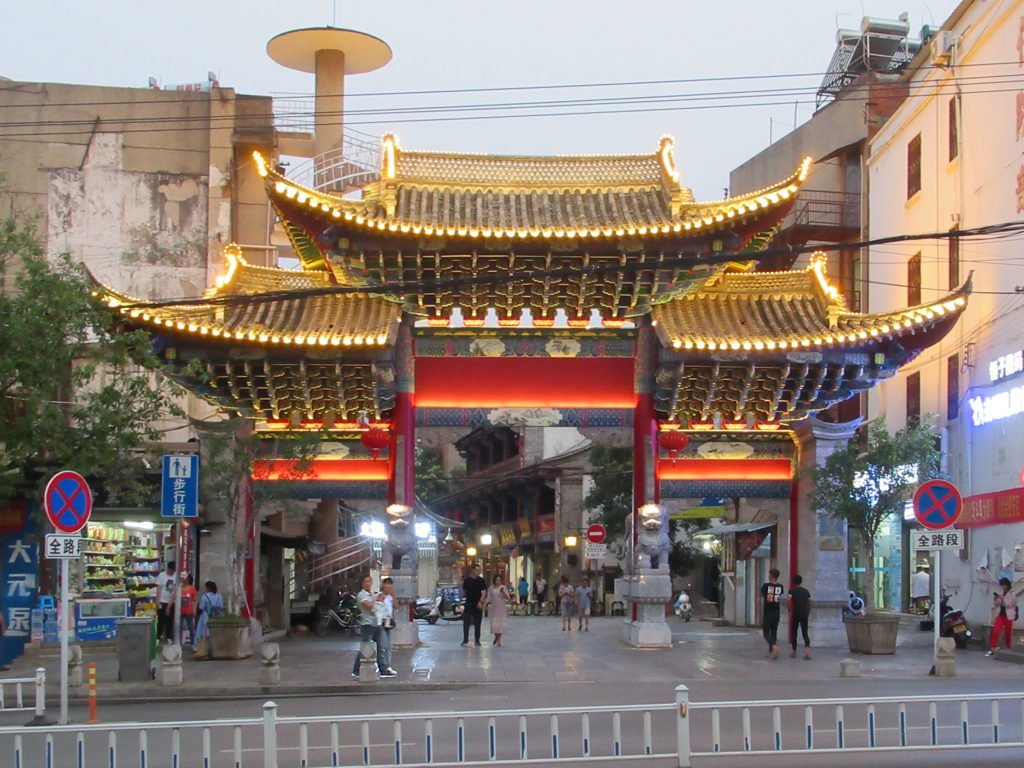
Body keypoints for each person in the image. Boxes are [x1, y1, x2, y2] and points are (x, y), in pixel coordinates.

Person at [351, 574, 389, 677]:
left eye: (369, 581)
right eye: (365, 582)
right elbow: (369, 605)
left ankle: (382, 669)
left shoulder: (372, 594)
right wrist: (376, 599)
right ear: (362, 583)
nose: (367, 584)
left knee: (379, 647)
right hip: (367, 624)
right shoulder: (361, 595)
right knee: (366, 647)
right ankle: (356, 669)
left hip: (376, 623)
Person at [983, 574, 1024, 656]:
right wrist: (996, 599)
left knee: (1008, 633)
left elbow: (1010, 605)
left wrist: (1003, 599)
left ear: (1007, 585)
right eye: (1002, 585)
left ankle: (1008, 647)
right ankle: (993, 647)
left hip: (1008, 616)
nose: (1003, 587)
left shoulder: (1012, 593)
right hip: (1000, 615)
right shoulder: (1000, 592)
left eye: (1004, 585)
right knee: (996, 631)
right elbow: (997, 604)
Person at [192, 580, 224, 659]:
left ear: (208, 588)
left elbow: (201, 607)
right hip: (216, 617)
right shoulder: (219, 596)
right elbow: (221, 606)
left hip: (205, 616)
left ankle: (202, 649)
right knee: (214, 632)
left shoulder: (205, 596)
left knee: (203, 632)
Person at [374, 577, 398, 676]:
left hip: (388, 622)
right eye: (387, 585)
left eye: (390, 585)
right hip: (381, 622)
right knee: (383, 645)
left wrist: (392, 595)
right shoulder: (380, 595)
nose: (388, 587)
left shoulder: (390, 597)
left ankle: (388, 665)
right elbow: (376, 607)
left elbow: (397, 606)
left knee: (388, 645)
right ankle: (383, 666)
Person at [461, 564, 487, 647]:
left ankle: (477, 640)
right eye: (477, 570)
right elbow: (464, 591)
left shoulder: (481, 581)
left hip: (478, 603)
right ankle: (465, 639)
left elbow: (484, 592)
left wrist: (481, 601)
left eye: (479, 570)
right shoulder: (467, 580)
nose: (478, 572)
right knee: (466, 622)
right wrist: (460, 601)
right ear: (473, 570)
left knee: (477, 622)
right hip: (469, 602)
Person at [761, 567, 784, 659]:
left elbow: (762, 594)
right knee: (774, 632)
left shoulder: (766, 586)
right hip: (776, 612)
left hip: (768, 612)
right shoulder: (781, 586)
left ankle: (774, 647)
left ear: (771, 575)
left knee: (766, 633)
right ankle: (771, 652)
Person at [787, 574, 812, 659]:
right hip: (804, 614)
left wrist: (789, 609)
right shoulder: (806, 591)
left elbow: (789, 601)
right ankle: (807, 652)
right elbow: (809, 602)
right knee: (805, 633)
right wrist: (807, 612)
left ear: (794, 582)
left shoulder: (791, 591)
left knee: (794, 633)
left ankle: (794, 652)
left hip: (795, 613)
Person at [482, 574, 511, 646]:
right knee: (494, 623)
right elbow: (488, 597)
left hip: (501, 607)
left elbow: (508, 598)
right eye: (497, 579)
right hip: (494, 607)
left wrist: (503, 593)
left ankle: (499, 639)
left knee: (500, 623)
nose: (498, 581)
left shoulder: (503, 587)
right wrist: (484, 604)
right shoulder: (491, 588)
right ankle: (496, 636)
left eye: (499, 579)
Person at [155, 562, 177, 644]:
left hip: (171, 602)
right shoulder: (161, 575)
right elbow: (159, 588)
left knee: (170, 620)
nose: (171, 572)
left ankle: (169, 637)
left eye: (173, 570)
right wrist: (157, 601)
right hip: (162, 601)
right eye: (170, 570)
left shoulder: (176, 576)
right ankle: (158, 637)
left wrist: (170, 604)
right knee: (161, 620)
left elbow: (176, 591)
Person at [179, 575, 197, 647]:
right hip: (180, 611)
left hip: (189, 611)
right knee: (179, 627)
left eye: (186, 579)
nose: (184, 580)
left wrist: (194, 609)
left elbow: (195, 600)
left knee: (191, 627)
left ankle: (193, 643)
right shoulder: (179, 588)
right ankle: (179, 643)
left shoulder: (192, 588)